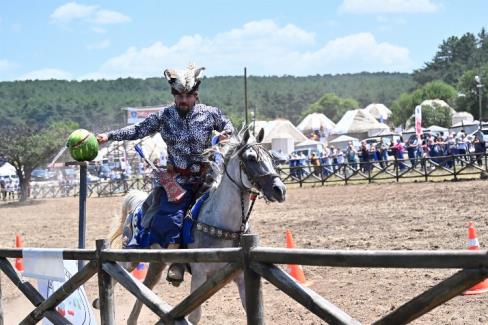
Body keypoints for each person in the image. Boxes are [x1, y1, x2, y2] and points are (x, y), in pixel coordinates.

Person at [96, 64, 233, 286]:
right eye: (179, 95)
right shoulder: (164, 116)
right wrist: (109, 136)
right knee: (169, 221)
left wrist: (227, 134)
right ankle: (177, 262)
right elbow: (136, 130)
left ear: (196, 95)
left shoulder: (211, 114)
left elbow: (228, 127)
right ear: (173, 95)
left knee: (228, 210)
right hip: (178, 182)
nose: (183, 100)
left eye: (188, 95)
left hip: (209, 179)